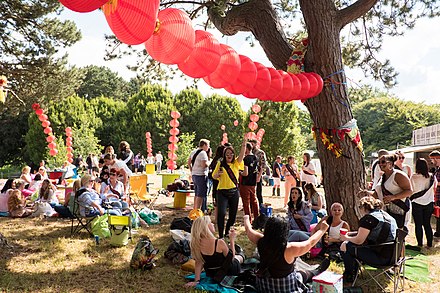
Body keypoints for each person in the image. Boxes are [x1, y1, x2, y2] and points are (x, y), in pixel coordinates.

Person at [243, 215, 330, 293]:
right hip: (285, 287)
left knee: (300, 274)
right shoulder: (289, 248)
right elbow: (310, 243)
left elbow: (248, 229)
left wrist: (246, 218)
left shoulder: (260, 240)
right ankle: (317, 271)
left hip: (264, 284)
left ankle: (316, 271)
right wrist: (322, 230)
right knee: (302, 274)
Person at [340, 196, 397, 283]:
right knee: (350, 244)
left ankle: (350, 275)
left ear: (364, 207)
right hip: (394, 256)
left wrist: (345, 238)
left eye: (359, 207)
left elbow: (359, 240)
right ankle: (353, 271)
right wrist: (351, 234)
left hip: (380, 258)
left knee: (346, 245)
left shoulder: (368, 219)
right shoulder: (387, 216)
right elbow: (373, 232)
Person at [184, 216, 244, 287]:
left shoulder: (196, 244)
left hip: (213, 274)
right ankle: (241, 253)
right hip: (229, 271)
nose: (213, 224)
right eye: (210, 223)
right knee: (239, 257)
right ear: (206, 228)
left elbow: (198, 263)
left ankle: (239, 251)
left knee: (235, 253)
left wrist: (196, 280)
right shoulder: (219, 242)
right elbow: (231, 258)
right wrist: (232, 240)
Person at [212, 137, 246, 238]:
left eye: (231, 154)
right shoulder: (220, 164)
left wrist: (244, 143)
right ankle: (221, 234)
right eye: (227, 154)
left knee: (233, 215)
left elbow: (242, 154)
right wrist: (217, 173)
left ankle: (227, 232)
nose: (229, 155)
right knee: (221, 213)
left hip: (234, 192)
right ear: (224, 155)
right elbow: (213, 176)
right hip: (222, 192)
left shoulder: (236, 163)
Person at [373, 154, 413, 228]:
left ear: (390, 163)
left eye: (383, 162)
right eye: (379, 162)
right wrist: (366, 193)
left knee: (397, 235)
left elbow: (409, 191)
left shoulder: (398, 175)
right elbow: (377, 194)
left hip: (398, 211)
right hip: (385, 212)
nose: (380, 164)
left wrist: (393, 197)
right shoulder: (382, 177)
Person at [410, 158, 437, 247]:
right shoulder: (432, 177)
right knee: (427, 224)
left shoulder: (413, 177)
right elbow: (435, 188)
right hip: (429, 203)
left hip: (416, 203)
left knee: (418, 225)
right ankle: (429, 244)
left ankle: (420, 244)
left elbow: (411, 190)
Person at [188, 139, 210, 212]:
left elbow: (189, 162)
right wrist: (209, 164)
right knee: (201, 194)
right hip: (201, 174)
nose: (208, 147)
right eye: (208, 145)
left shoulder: (193, 151)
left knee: (196, 193)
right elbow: (203, 165)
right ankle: (198, 210)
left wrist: (192, 170)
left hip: (194, 174)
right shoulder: (203, 153)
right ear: (204, 145)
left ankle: (195, 209)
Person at [239, 142, 259, 221]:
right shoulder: (255, 157)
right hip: (253, 182)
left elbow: (245, 173)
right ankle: (257, 218)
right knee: (254, 200)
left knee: (246, 202)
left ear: (246, 149)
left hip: (245, 183)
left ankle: (248, 219)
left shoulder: (246, 159)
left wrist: (240, 172)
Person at [249, 139, 268, 206]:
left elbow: (263, 165)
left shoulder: (260, 153)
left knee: (258, 192)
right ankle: (251, 206)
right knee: (250, 192)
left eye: (252, 144)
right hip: (250, 175)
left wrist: (259, 175)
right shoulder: (249, 152)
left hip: (257, 174)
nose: (251, 145)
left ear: (255, 144)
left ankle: (260, 205)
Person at [428, 151, 440, 237]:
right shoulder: (437, 169)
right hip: (437, 196)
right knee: (438, 215)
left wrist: (435, 183)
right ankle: (438, 232)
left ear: (435, 158)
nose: (431, 161)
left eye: (431, 159)